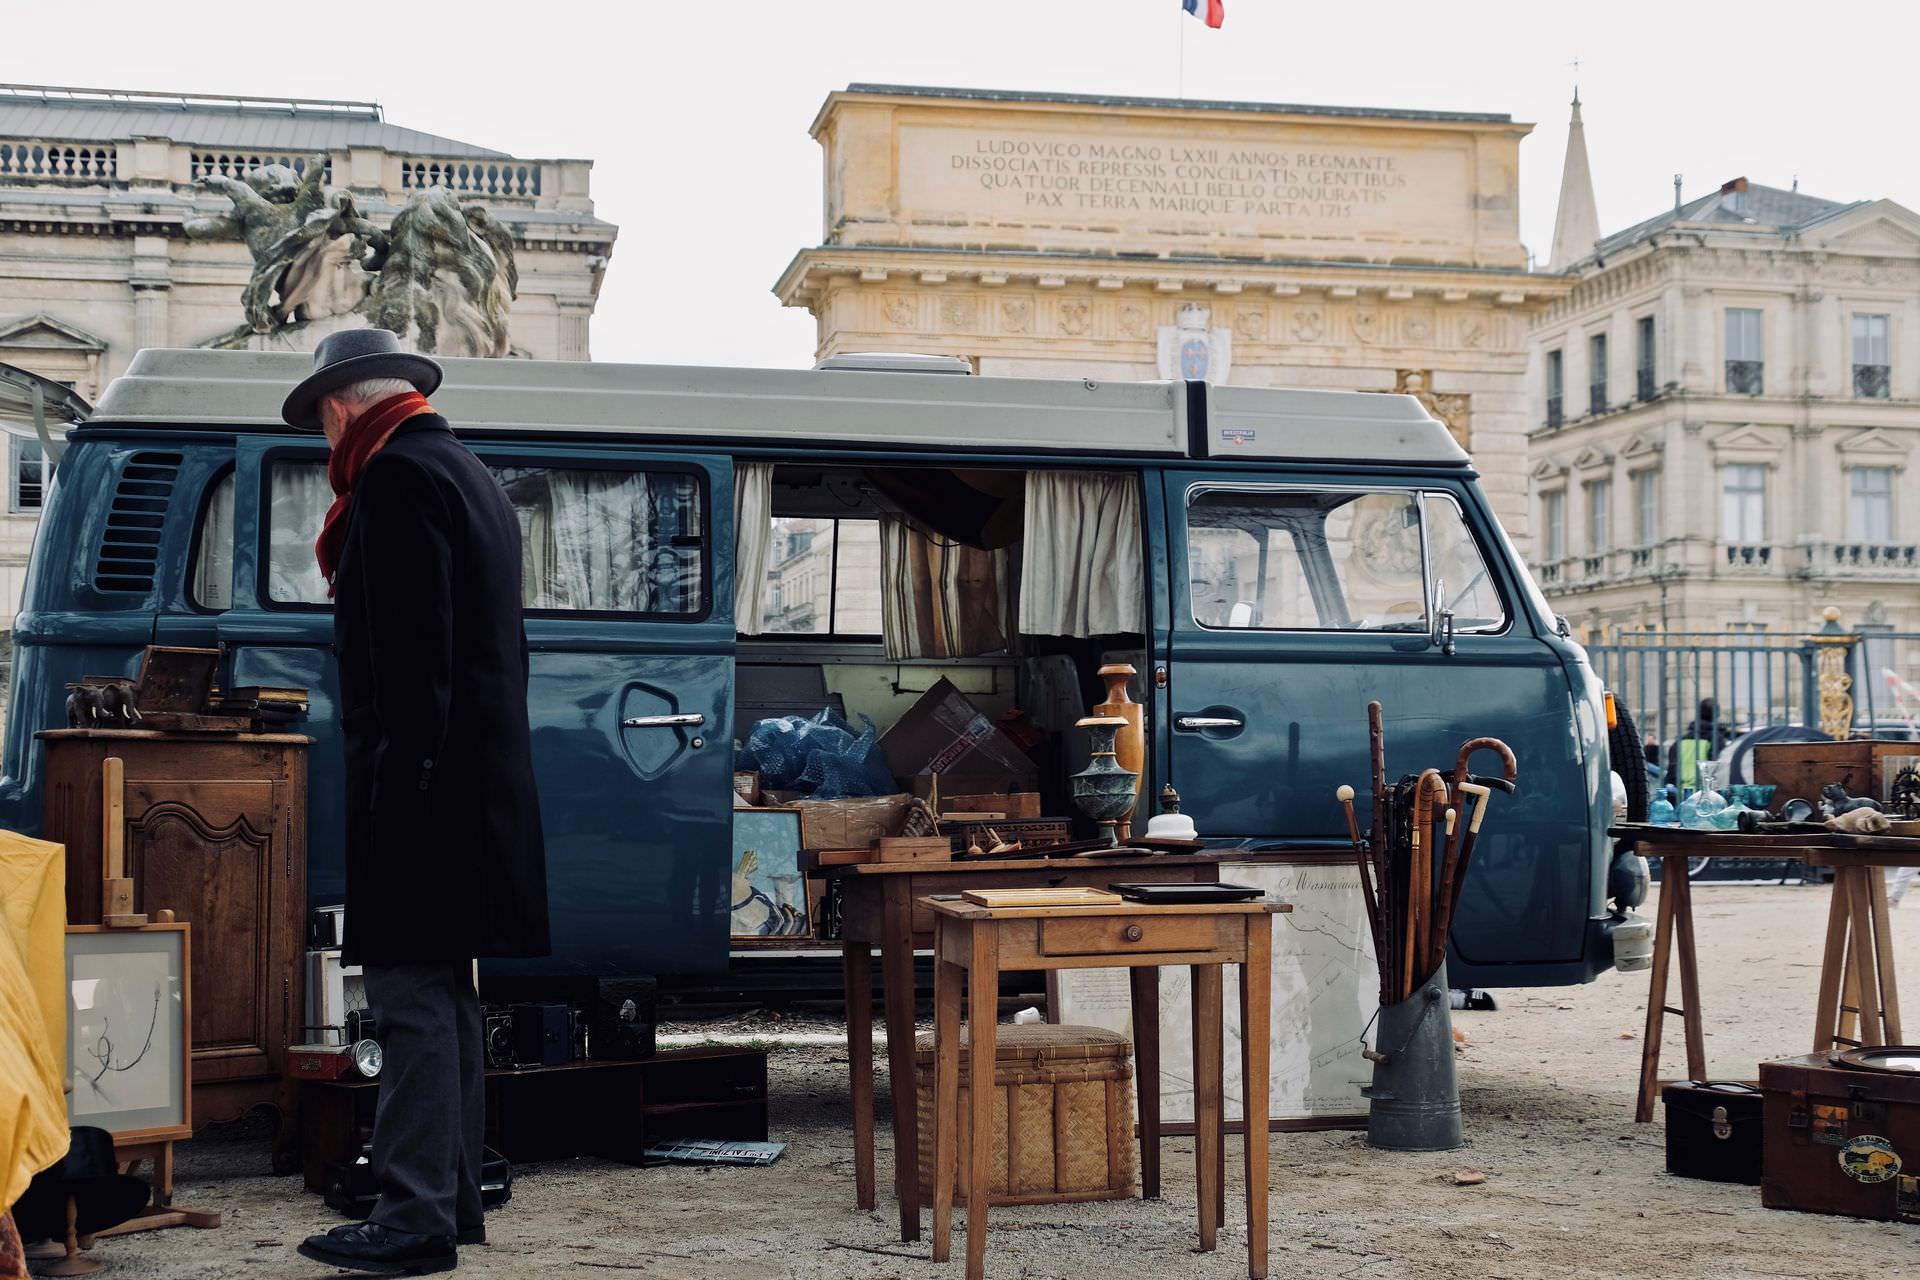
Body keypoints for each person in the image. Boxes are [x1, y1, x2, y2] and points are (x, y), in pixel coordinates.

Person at [288, 329, 549, 1276]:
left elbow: (410, 666)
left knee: (408, 1003)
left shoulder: (397, 481)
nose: (326, 437)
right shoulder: (469, 474)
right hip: (472, 794)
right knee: (444, 999)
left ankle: (410, 1220)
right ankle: (451, 1203)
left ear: (347, 404)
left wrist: (402, 801)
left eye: (323, 416)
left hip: (424, 797)